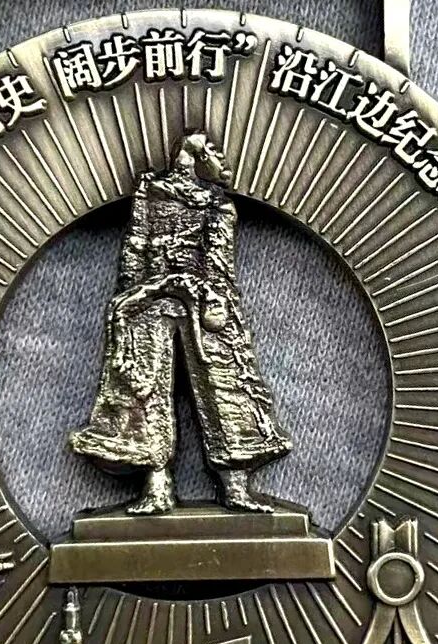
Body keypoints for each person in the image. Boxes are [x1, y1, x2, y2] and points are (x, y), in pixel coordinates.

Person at [70, 132, 291, 514]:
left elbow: (218, 261)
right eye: (213, 151)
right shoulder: (151, 194)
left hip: (201, 299)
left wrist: (213, 300)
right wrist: (132, 296)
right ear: (196, 156)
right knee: (143, 389)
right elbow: (136, 244)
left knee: (224, 387)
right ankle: (157, 487)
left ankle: (235, 486)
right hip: (152, 298)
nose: (222, 159)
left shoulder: (218, 204)